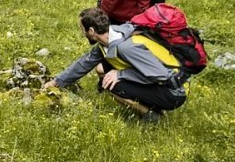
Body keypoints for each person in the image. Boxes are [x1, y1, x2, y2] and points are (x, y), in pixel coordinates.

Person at [43, 8, 187, 122]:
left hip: (174, 92)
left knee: (110, 83)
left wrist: (120, 74)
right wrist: (57, 82)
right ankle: (151, 107)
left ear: (91, 31)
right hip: (163, 85)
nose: (83, 34)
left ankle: (150, 115)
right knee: (106, 75)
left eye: (83, 30)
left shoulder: (126, 47)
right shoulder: (108, 40)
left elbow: (160, 74)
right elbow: (84, 63)